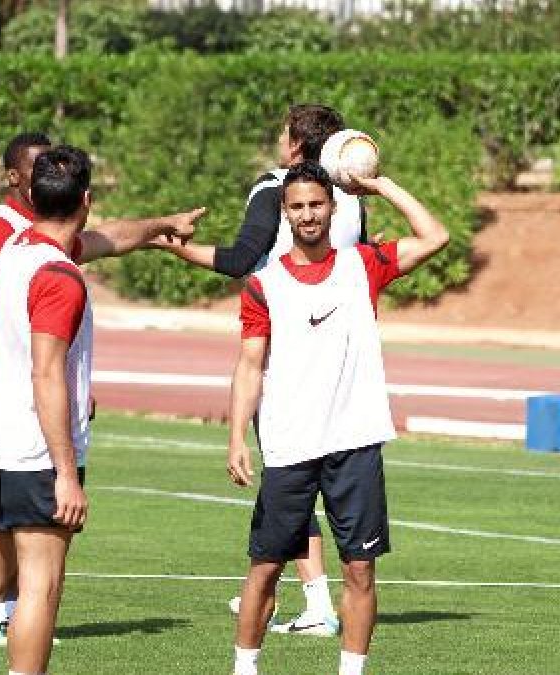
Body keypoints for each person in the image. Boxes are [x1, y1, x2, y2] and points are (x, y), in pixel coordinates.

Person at [0, 132, 203, 645]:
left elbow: (111, 238)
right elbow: (47, 374)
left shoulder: (17, 246)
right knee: (39, 589)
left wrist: (163, 225)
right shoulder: (58, 274)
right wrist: (67, 475)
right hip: (34, 452)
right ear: (86, 200)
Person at [225, 161, 449, 675]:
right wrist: (237, 436)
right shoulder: (263, 285)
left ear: (333, 207)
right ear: (285, 213)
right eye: (297, 206)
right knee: (264, 569)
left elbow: (435, 236)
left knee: (360, 569)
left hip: (355, 439)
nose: (308, 215)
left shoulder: (363, 265)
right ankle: (245, 668)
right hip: (289, 445)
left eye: (316, 204)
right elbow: (250, 364)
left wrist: (381, 186)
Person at [159, 103, 362, 636]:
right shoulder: (349, 199)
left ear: (296, 144)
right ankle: (313, 595)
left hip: (283, 352)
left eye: (282, 132)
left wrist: (169, 247)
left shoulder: (276, 185)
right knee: (310, 477)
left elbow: (241, 257)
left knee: (289, 476)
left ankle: (308, 598)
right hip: (342, 356)